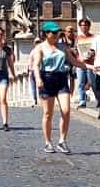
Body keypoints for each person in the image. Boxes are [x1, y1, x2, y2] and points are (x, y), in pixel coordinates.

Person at [32, 22, 87, 154]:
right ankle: (48, 142)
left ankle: (62, 141)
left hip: (61, 78)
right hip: (47, 79)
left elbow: (74, 61)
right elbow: (35, 65)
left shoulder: (63, 47)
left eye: (58, 33)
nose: (57, 35)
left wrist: (90, 67)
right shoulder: (40, 48)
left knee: (66, 111)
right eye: (54, 33)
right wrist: (38, 79)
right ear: (46, 34)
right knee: (48, 114)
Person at [73, 19, 96, 107]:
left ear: (89, 26)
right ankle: (82, 100)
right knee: (80, 83)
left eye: (86, 25)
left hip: (90, 63)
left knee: (92, 81)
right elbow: (75, 49)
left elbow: (95, 49)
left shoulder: (93, 37)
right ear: (80, 26)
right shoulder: (77, 38)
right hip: (81, 63)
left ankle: (98, 99)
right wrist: (78, 57)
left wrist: (91, 55)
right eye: (82, 25)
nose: (84, 27)